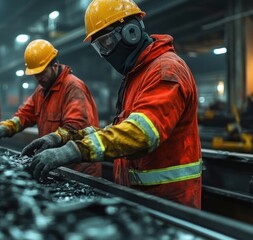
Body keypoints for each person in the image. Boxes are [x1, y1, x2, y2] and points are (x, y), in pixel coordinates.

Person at [23, 0, 202, 209]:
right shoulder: (137, 75)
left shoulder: (165, 71)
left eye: (106, 43)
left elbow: (141, 133)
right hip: (141, 199)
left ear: (131, 32)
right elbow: (118, 131)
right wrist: (62, 138)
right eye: (100, 48)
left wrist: (72, 151)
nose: (105, 54)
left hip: (170, 205)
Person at [0, 39, 102, 177]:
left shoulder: (73, 87)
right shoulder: (41, 90)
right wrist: (5, 128)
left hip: (78, 170)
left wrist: (53, 139)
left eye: (42, 73)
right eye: (35, 74)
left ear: (55, 65)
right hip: (52, 164)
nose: (38, 78)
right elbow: (24, 115)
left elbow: (78, 127)